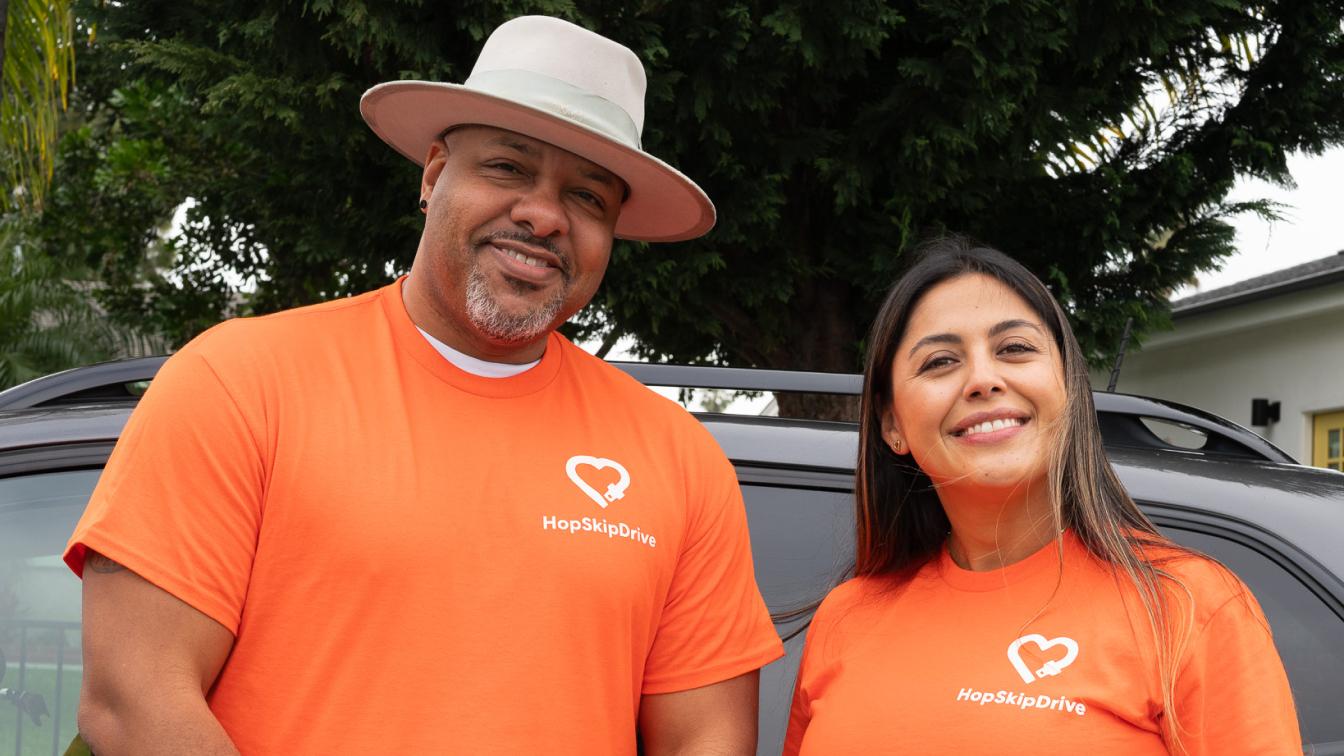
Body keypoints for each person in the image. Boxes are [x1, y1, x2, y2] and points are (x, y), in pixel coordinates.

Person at [65, 15, 783, 755]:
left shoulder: (680, 461)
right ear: (435, 173)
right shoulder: (241, 383)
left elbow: (706, 740)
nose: (543, 216)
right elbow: (133, 698)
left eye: (588, 199)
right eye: (508, 168)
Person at [783, 238, 1300, 755]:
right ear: (892, 424)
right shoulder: (844, 619)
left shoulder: (1188, 607)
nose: (983, 380)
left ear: (1070, 389)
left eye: (1014, 349)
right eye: (940, 361)